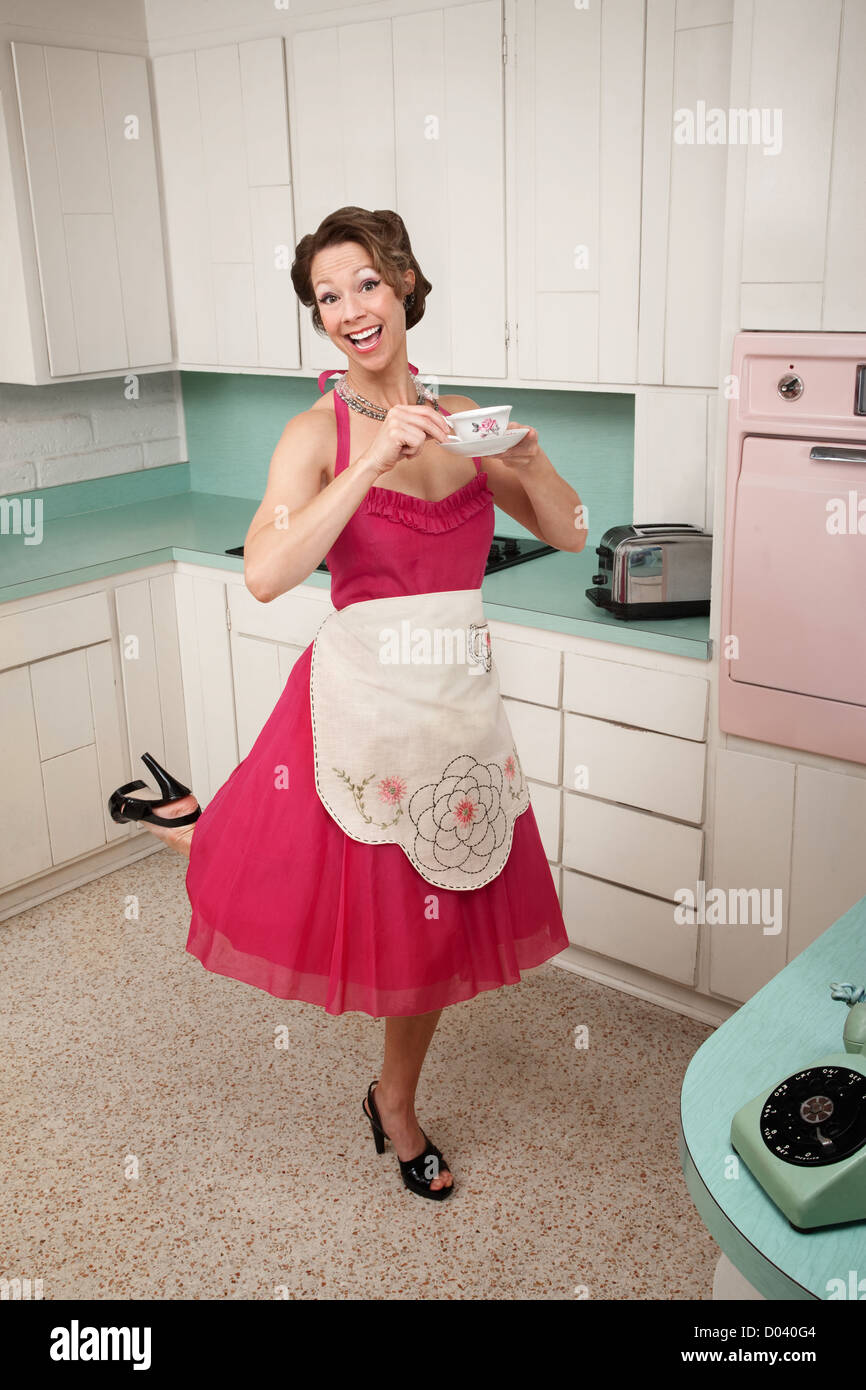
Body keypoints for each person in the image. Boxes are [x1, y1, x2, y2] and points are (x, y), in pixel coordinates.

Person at [110, 207, 588, 1200]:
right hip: (358, 702)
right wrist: (368, 458)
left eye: (364, 283)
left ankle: (388, 1090)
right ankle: (196, 833)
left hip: (454, 711)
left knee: (439, 926)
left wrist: (531, 459)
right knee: (281, 871)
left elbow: (573, 533)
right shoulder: (311, 434)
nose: (348, 310)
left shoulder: (459, 418)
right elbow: (269, 570)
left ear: (406, 281)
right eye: (326, 297)